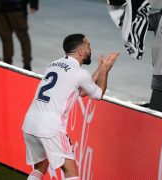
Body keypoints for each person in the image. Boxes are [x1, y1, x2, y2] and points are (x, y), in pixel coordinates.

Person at [22, 34, 119, 180]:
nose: (90, 49)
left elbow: (84, 89)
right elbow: (98, 94)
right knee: (71, 172)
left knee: (40, 168)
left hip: (30, 123)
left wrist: (100, 68)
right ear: (80, 52)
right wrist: (105, 70)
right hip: (51, 128)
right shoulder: (80, 73)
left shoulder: (53, 64)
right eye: (88, 46)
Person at [0, 0, 38, 71]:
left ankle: (27, 65)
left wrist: (34, 3)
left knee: (23, 37)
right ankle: (7, 64)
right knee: (5, 38)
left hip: (17, 7)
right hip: (1, 8)